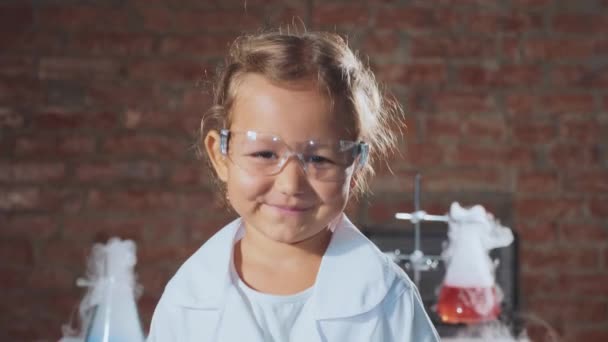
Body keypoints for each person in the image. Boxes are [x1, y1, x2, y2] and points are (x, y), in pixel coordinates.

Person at [147, 29, 440, 342]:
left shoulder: (390, 301)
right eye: (264, 153)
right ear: (221, 156)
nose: (290, 183)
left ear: (355, 167)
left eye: (320, 159)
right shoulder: (186, 301)